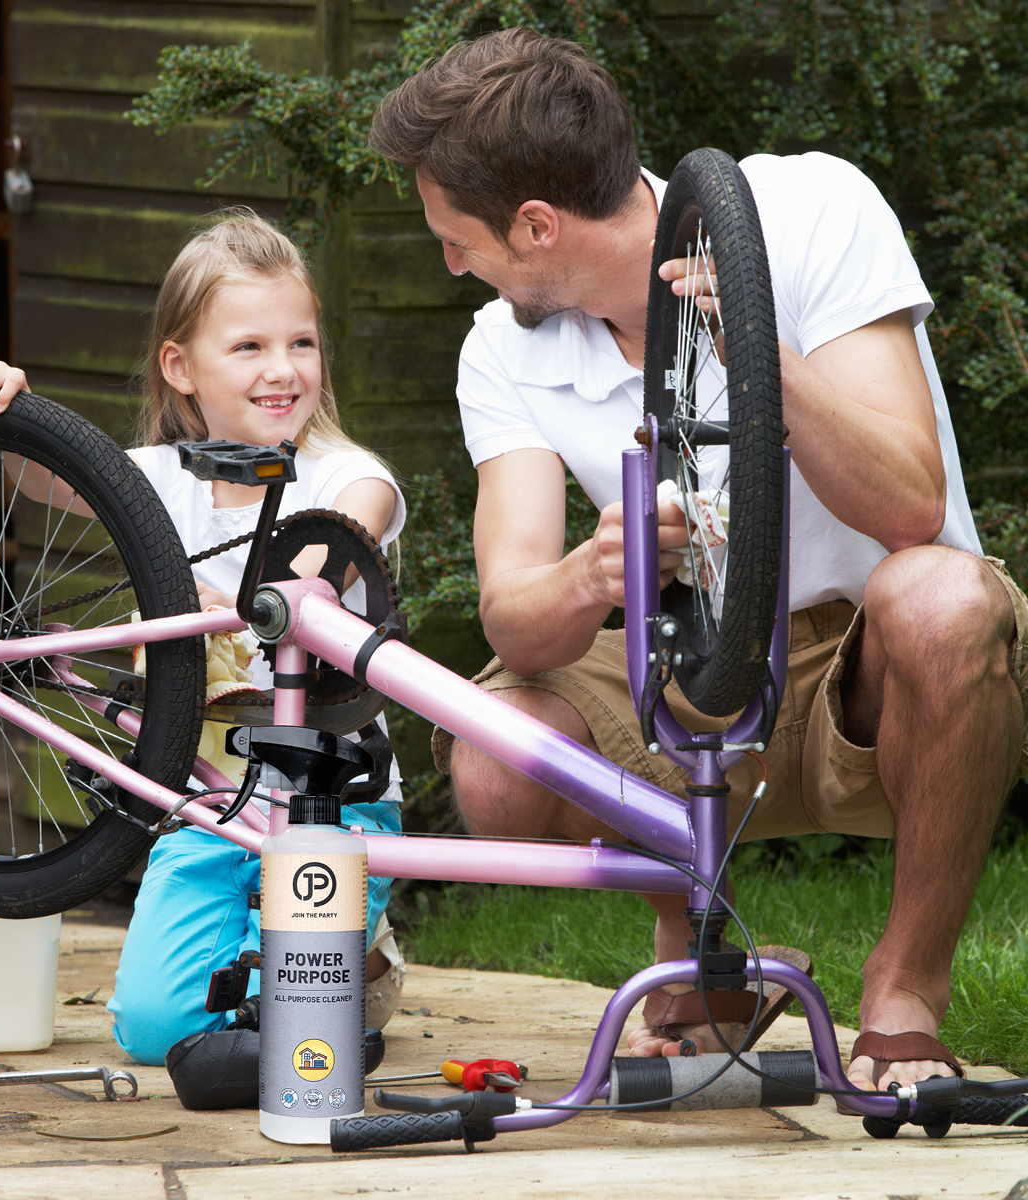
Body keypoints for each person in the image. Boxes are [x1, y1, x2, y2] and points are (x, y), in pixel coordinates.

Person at [369, 29, 1028, 1094]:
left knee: (945, 598)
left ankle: (905, 991)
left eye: (458, 239)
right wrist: (595, 574)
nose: (451, 263)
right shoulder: (502, 348)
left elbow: (913, 505)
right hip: (695, 665)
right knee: (494, 756)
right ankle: (706, 946)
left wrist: (761, 355)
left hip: (875, 667)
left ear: (535, 225)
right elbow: (514, 619)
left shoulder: (811, 208)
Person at [0, 209, 407, 1067]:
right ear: (180, 367)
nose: (283, 369)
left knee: (290, 1010)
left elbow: (330, 555)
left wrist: (242, 598)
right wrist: (2, 406)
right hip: (206, 804)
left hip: (332, 803)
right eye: (249, 347)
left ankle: (361, 961)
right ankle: (311, 958)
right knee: (152, 1031)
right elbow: (36, 474)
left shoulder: (350, 475)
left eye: (301, 343)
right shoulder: (159, 481)